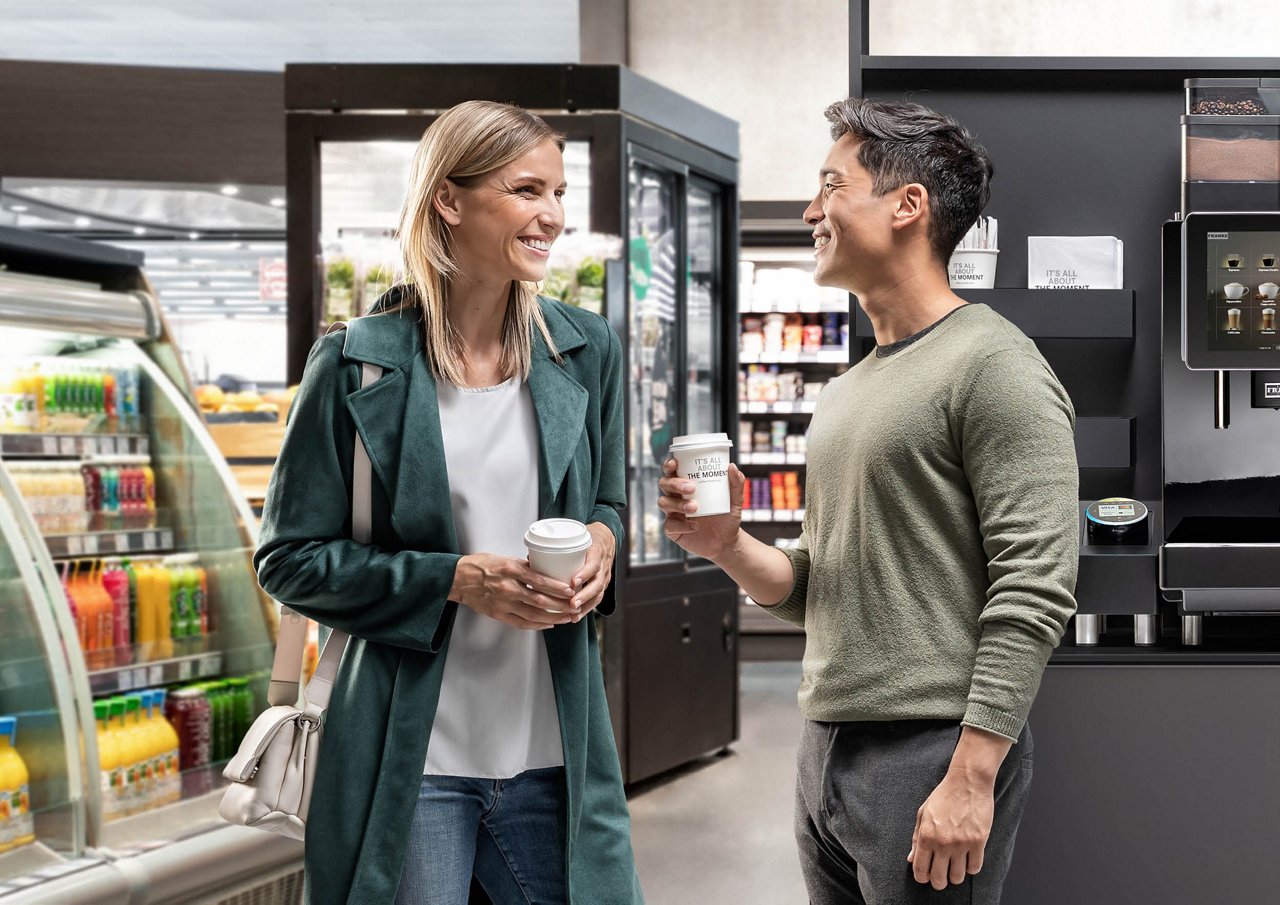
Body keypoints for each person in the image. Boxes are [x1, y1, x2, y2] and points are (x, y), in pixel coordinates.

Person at [659, 97, 1078, 904]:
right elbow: (822, 584)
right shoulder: (848, 389)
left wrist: (972, 772)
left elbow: (1035, 585)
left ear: (907, 205)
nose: (811, 211)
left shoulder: (995, 366)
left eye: (829, 186)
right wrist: (725, 542)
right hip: (827, 748)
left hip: (932, 750)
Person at [256, 100, 643, 905]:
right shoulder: (356, 365)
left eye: (560, 194)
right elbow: (288, 559)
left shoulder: (584, 349)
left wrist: (605, 541)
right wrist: (454, 580)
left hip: (556, 751)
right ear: (450, 199)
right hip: (413, 760)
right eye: (528, 190)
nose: (554, 217)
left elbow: (605, 499)